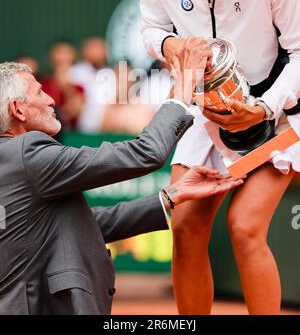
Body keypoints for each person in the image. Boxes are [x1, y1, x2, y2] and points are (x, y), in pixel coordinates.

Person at [140, 0, 300, 315]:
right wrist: (168, 45)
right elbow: (152, 28)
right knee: (187, 228)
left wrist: (264, 108)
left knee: (245, 229)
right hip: (201, 110)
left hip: (278, 113)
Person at [0, 55, 242, 315]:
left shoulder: (11, 161)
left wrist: (171, 195)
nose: (51, 100)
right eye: (41, 92)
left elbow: (81, 225)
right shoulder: (27, 153)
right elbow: (145, 152)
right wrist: (182, 93)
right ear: (18, 109)